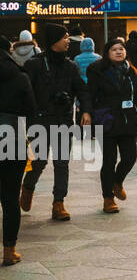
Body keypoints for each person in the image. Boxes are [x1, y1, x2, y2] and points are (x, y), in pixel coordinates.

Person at [20, 24, 89, 222]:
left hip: (63, 121)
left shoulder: (71, 66)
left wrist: (85, 110)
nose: (68, 40)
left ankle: (58, 203)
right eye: (64, 37)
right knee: (38, 161)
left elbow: (82, 90)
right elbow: (25, 91)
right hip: (39, 121)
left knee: (61, 163)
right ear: (53, 41)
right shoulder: (34, 65)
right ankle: (28, 186)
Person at [86, 37, 137, 214]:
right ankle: (108, 198)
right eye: (114, 49)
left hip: (127, 119)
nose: (118, 52)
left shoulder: (131, 71)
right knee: (109, 160)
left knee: (130, 157)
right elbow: (89, 96)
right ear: (107, 53)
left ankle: (117, 181)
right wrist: (88, 116)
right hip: (106, 119)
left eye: (121, 49)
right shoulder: (96, 70)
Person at [0, 49, 36, 265]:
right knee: (11, 197)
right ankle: (9, 250)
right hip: (12, 138)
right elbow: (31, 110)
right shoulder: (20, 76)